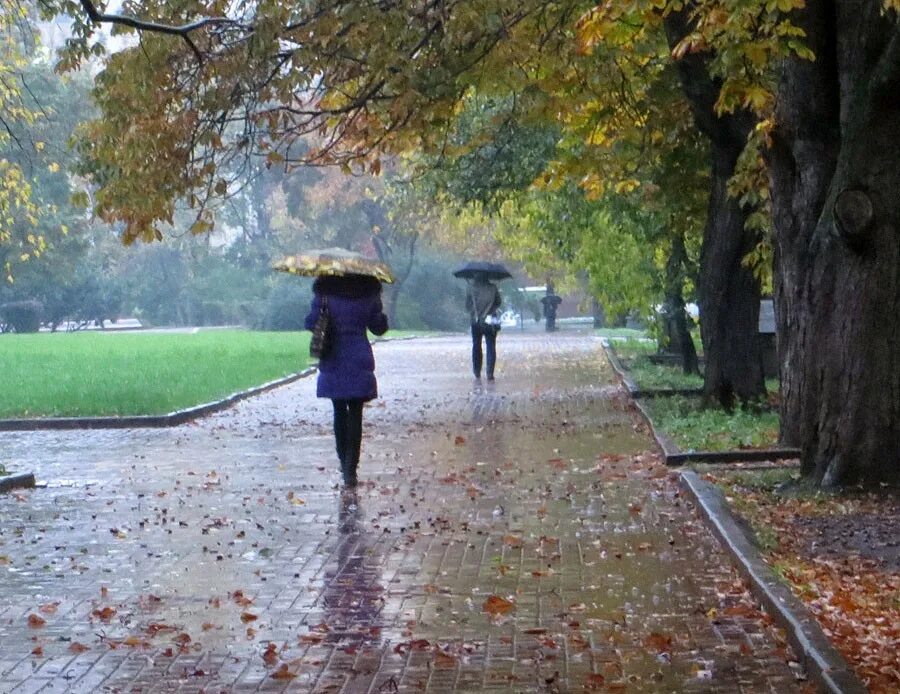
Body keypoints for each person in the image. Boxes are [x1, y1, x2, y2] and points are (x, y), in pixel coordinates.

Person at [305, 274, 388, 487]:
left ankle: (344, 464)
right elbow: (378, 327)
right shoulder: (367, 294)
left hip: (333, 355)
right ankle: (351, 468)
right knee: (356, 414)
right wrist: (379, 310)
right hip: (358, 354)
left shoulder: (324, 295)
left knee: (339, 411)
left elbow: (310, 323)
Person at [465, 272, 502, 380]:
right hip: (490, 321)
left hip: (475, 321)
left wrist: (474, 310)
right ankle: (490, 372)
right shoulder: (493, 288)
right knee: (491, 345)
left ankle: (477, 371)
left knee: (476, 345)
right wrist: (491, 308)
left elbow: (467, 305)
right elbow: (498, 302)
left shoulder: (470, 288)